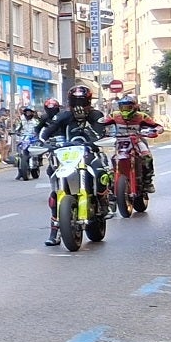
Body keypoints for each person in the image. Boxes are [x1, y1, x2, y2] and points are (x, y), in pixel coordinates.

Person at [39, 84, 111, 246]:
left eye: (82, 101)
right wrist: (43, 142)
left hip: (89, 153)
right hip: (67, 154)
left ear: (88, 101)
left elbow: (100, 133)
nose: (79, 106)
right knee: (54, 184)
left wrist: (87, 128)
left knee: (100, 172)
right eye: (75, 101)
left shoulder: (96, 115)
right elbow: (47, 131)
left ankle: (103, 204)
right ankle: (55, 231)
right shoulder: (63, 116)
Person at [105, 92, 162, 195]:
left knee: (147, 157)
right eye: (123, 107)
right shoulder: (114, 115)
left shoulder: (142, 116)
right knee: (110, 162)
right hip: (120, 143)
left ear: (134, 107)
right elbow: (102, 123)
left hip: (136, 141)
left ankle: (148, 182)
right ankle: (111, 186)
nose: (125, 110)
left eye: (128, 107)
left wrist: (156, 130)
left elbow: (157, 126)